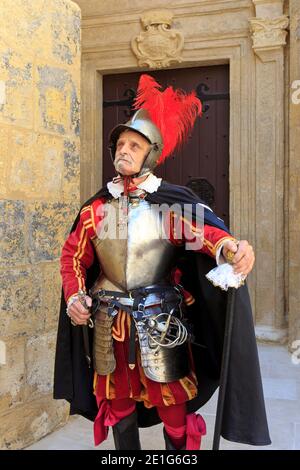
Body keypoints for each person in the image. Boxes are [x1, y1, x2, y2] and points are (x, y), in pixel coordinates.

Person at [54, 74, 270, 450]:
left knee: (173, 408)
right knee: (117, 404)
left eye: (134, 144)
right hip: (108, 321)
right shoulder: (96, 209)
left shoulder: (169, 206)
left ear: (151, 153)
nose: (124, 149)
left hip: (159, 320)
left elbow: (206, 235)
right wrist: (74, 298)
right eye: (120, 143)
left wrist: (233, 249)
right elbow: (73, 255)